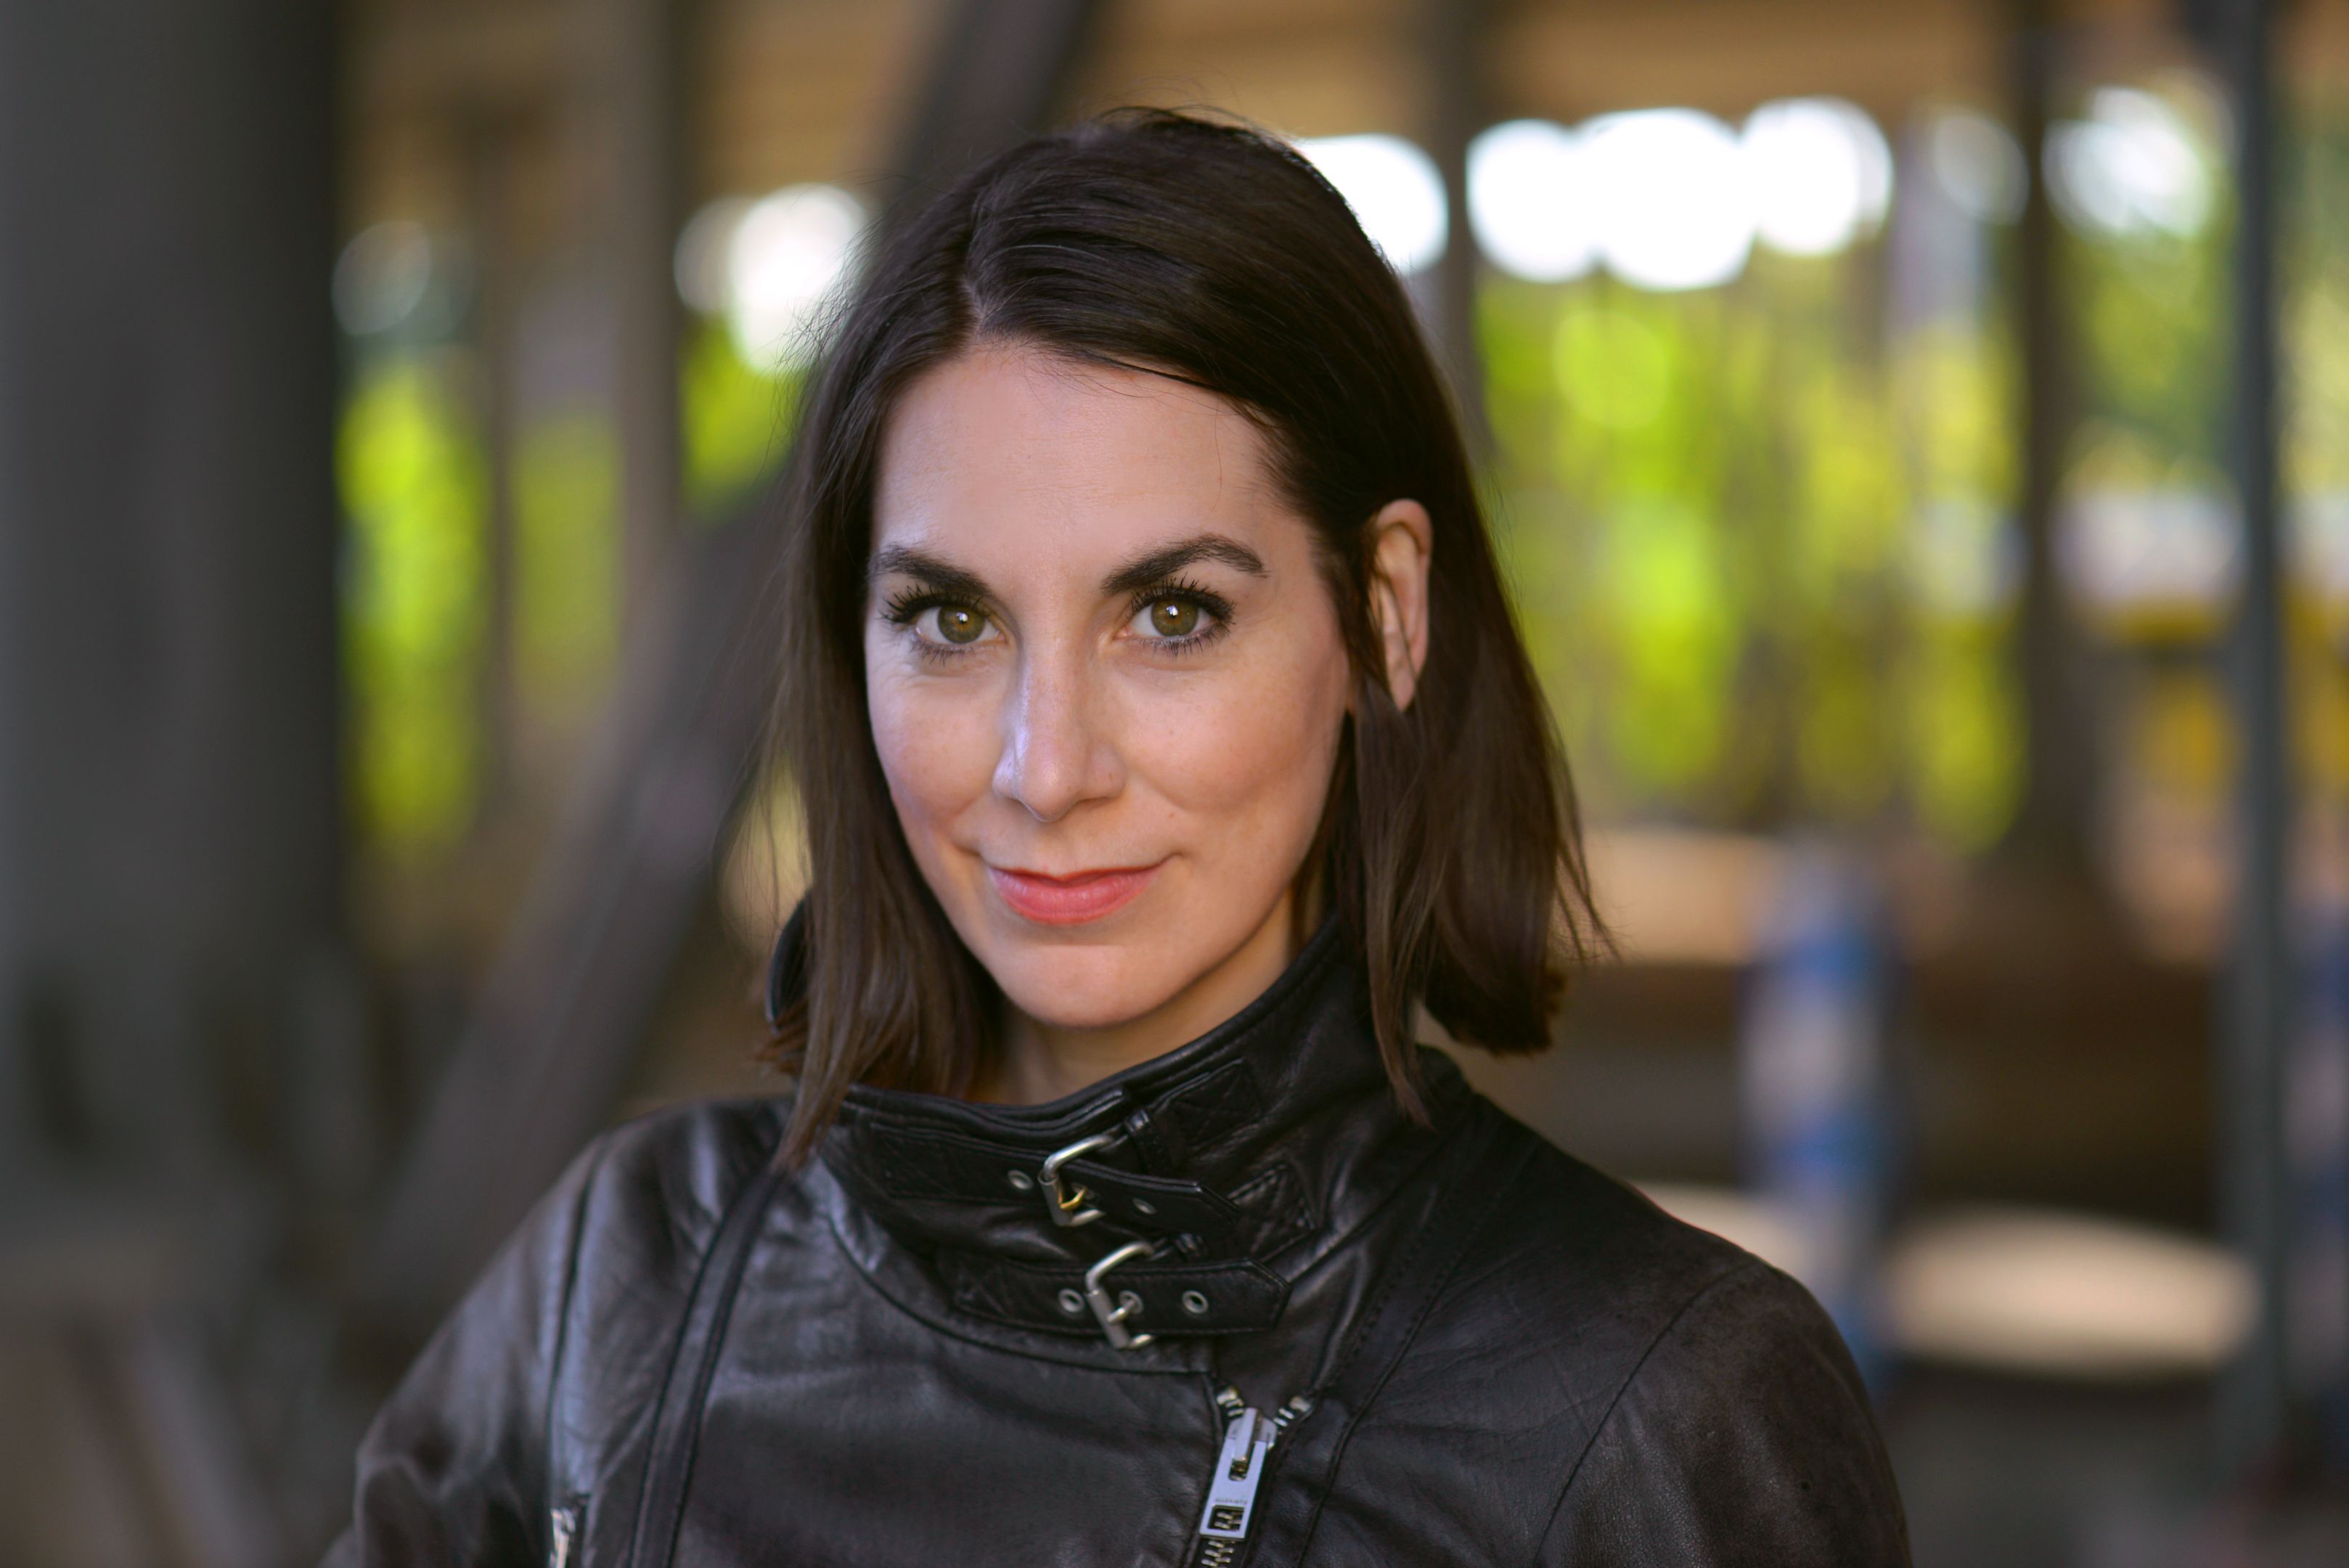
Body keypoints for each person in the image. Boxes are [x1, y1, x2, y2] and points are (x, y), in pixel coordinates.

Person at [327, 109, 1910, 1567]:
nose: (1046, 769)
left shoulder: (1650, 1412)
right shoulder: (625, 1289)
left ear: (1384, 614)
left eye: (1171, 615)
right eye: (952, 620)